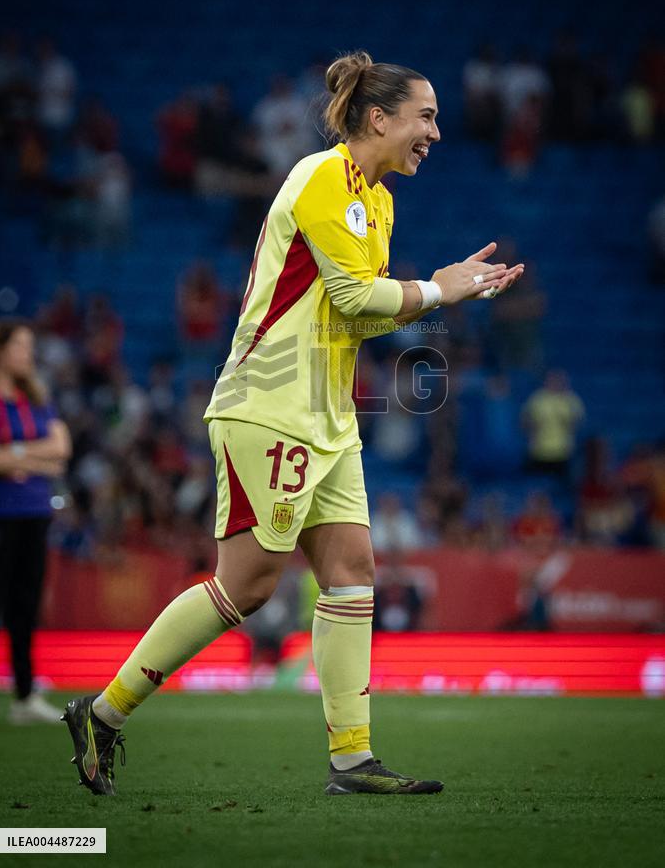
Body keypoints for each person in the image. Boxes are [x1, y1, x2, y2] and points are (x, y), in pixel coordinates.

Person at [62, 51, 523, 797]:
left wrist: (444, 293)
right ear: (380, 118)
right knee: (246, 585)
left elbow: (357, 317)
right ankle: (104, 713)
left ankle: (353, 759)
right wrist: (436, 288)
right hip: (269, 406)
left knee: (352, 574)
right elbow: (351, 294)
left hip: (331, 415)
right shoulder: (318, 177)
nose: (435, 133)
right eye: (425, 117)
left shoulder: (378, 202)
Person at [0, 319, 72, 724]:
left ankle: (24, 695)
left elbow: (62, 450)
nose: (28, 353)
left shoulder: (36, 398)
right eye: (21, 345)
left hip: (33, 511)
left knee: (24, 604)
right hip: (3, 513)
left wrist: (15, 455)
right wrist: (35, 455)